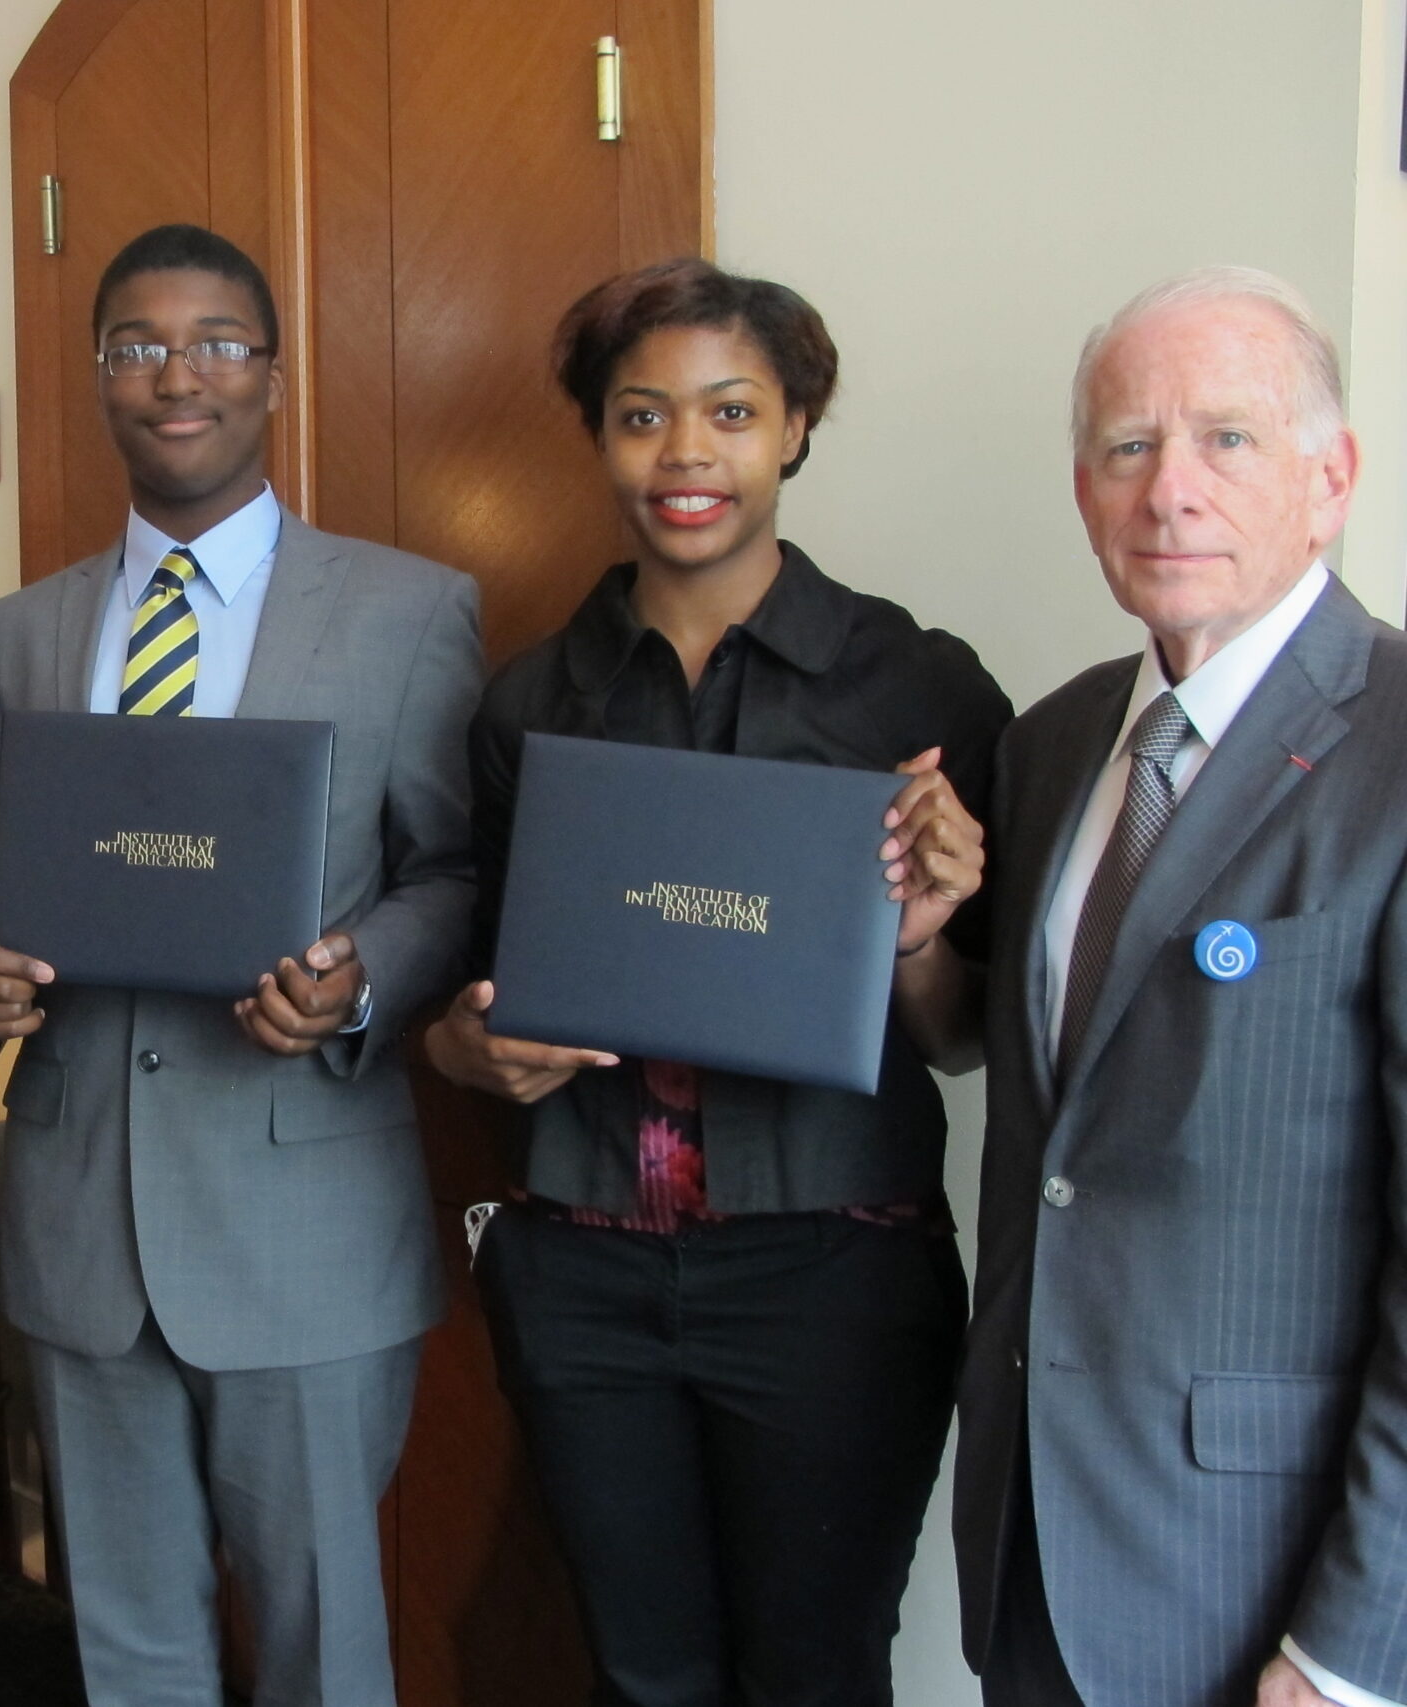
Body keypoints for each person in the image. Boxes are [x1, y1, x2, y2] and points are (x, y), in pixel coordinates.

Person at [421, 257, 1009, 1707]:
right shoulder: (529, 703)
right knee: (644, 1673)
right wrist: (466, 1051)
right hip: (584, 1264)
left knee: (814, 1675)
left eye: (731, 412)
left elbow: (965, 1040)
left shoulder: (915, 688)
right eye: (641, 416)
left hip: (833, 1272)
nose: (685, 454)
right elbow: (489, 996)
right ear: (599, 438)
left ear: (796, 426)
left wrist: (928, 929)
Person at [0, 223, 481, 1707]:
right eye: (137, 346)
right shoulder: (24, 634)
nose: (178, 377)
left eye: (217, 344)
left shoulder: (405, 613)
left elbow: (453, 868)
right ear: (100, 377)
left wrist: (359, 976)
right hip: (78, 1223)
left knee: (322, 1650)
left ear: (275, 377)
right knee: (129, 1654)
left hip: (301, 1229)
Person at [953, 268, 1407, 1707]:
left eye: (1228, 438)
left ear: (1331, 478)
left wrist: (1351, 1650)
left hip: (1265, 1579)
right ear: (1084, 490)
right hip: (1035, 1545)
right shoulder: (1051, 745)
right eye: (1128, 447)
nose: (1171, 492)